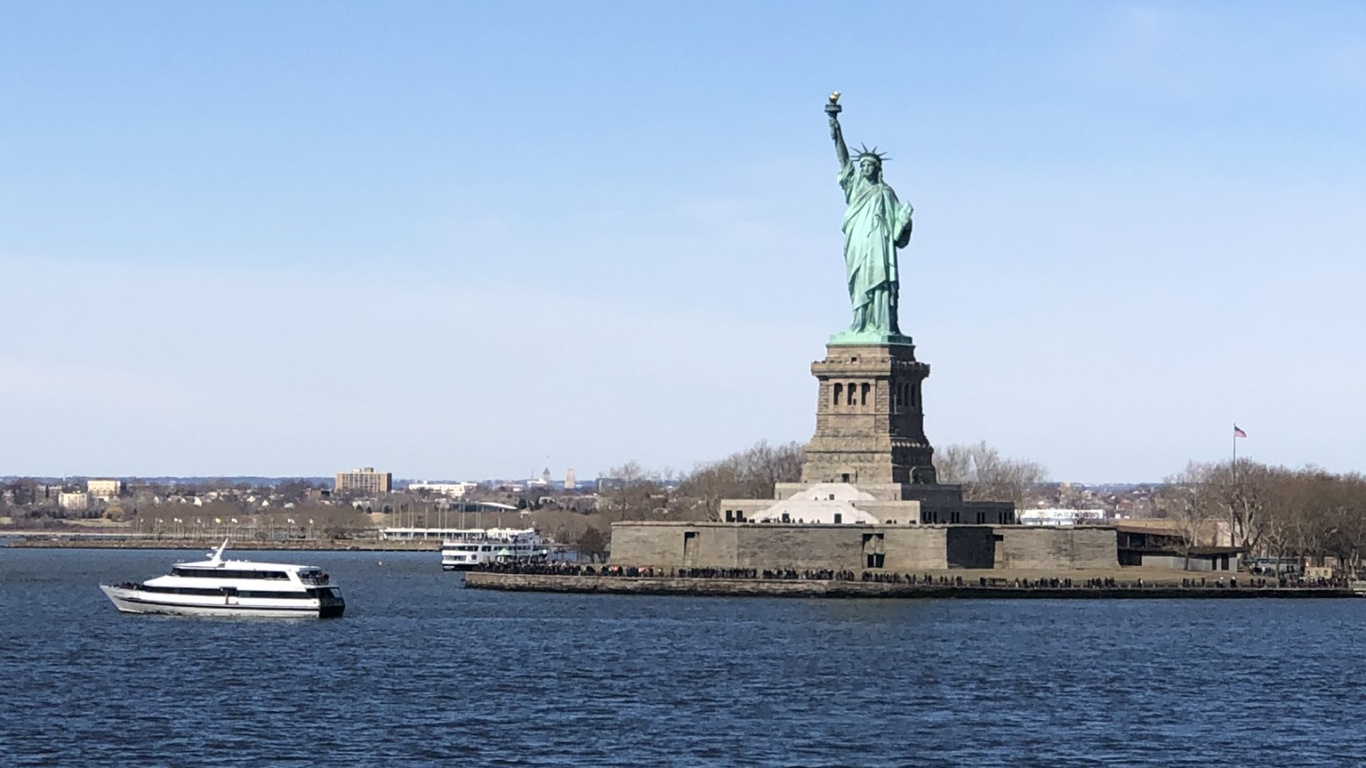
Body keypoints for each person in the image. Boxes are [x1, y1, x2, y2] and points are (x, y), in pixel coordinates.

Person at [829, 112, 914, 338]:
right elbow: (844, 161)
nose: (865, 168)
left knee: (880, 282)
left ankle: (882, 324)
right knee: (859, 281)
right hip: (857, 240)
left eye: (870, 165)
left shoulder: (886, 192)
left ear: (878, 169)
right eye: (863, 165)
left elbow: (898, 226)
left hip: (879, 242)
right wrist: (837, 132)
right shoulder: (854, 185)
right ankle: (860, 323)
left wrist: (905, 221)